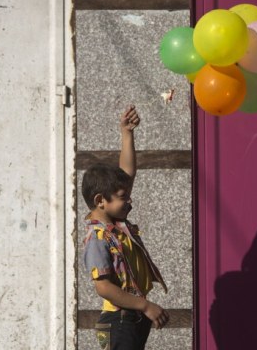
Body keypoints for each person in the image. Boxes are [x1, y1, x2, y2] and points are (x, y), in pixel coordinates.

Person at [82, 105, 169, 350]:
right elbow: (104, 287)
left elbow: (127, 173)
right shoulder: (98, 236)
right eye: (122, 197)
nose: (128, 200)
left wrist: (127, 133)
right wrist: (145, 306)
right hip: (118, 322)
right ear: (101, 201)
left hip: (131, 319)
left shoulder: (118, 224)